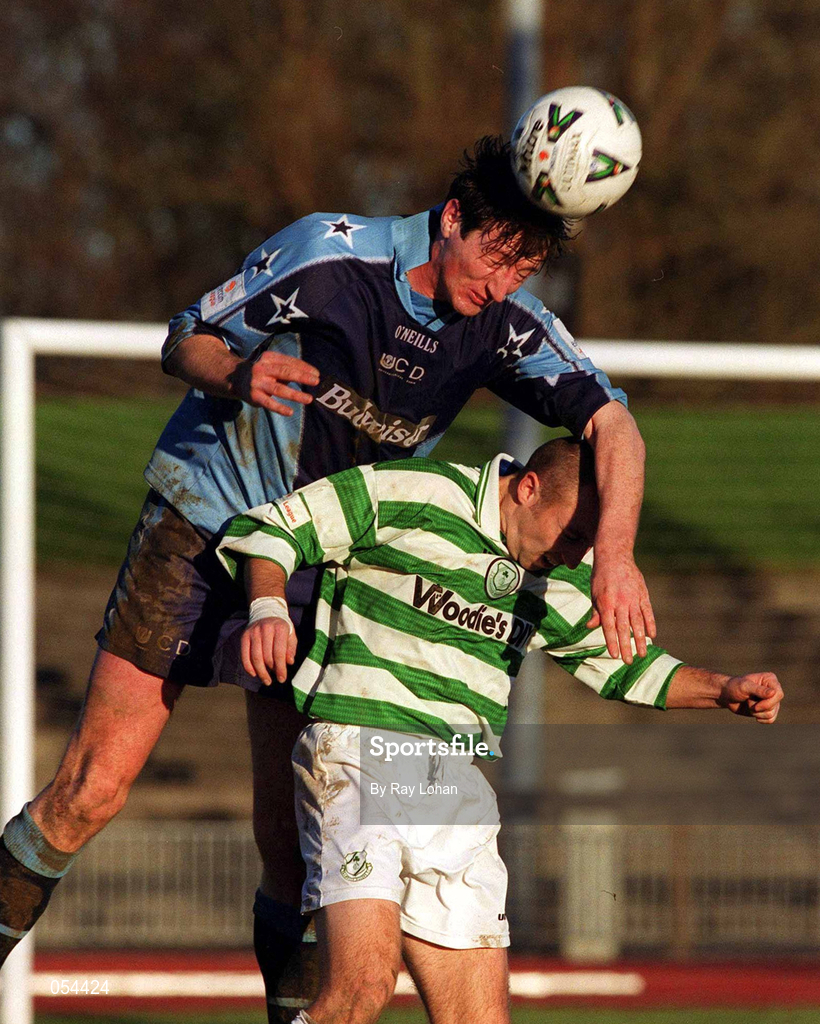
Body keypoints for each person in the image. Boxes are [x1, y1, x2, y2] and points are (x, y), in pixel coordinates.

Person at [0, 136, 654, 1019]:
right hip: (204, 524)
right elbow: (184, 338)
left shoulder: (506, 325)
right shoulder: (330, 252)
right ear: (452, 219)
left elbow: (613, 426)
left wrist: (612, 556)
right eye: (498, 259)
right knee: (91, 791)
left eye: (525, 269)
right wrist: (239, 372)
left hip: (318, 564)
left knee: (295, 855)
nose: (503, 285)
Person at [216, 437, 783, 1024]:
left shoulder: (559, 579)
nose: (574, 554)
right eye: (571, 533)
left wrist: (722, 689)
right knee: (362, 987)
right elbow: (273, 529)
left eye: (587, 543)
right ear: (528, 488)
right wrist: (268, 610)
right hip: (360, 753)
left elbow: (626, 666)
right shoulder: (415, 492)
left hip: (455, 780)